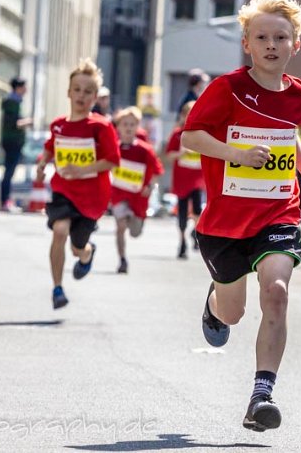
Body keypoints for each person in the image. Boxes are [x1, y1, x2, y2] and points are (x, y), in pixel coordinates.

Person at [180, 0, 301, 432]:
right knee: (233, 314)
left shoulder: (299, 94)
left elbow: (288, 137)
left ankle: (261, 394)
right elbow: (192, 137)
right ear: (247, 43)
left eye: (280, 37)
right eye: (261, 36)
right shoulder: (226, 88)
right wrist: (237, 154)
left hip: (278, 213)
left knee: (277, 293)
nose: (271, 44)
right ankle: (213, 305)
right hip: (226, 224)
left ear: (295, 45)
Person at [34, 59, 121, 309]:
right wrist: (42, 165)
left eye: (87, 91)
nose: (81, 95)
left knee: (76, 248)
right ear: (68, 92)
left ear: (95, 97)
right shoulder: (58, 125)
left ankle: (87, 253)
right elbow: (50, 149)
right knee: (59, 230)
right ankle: (57, 289)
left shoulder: (100, 126)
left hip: (92, 198)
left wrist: (82, 169)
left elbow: (112, 161)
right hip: (64, 189)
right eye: (77, 89)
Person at [110, 106, 163, 274]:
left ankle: (136, 219)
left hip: (138, 198)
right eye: (125, 124)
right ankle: (122, 259)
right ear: (118, 127)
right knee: (120, 226)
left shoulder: (144, 149)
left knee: (134, 233)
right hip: (118, 195)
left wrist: (150, 186)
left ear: (137, 127)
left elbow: (157, 170)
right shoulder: (113, 148)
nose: (128, 128)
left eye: (132, 124)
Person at [164, 100, 205, 259]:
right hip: (182, 179)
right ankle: (182, 242)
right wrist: (180, 154)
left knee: (197, 209)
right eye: (186, 114)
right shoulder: (177, 134)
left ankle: (196, 233)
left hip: (197, 179)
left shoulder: (202, 134)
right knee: (181, 212)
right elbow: (169, 155)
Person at [0, 77, 33, 212]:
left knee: (10, 172)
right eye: (24, 87)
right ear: (18, 88)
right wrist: (27, 122)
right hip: (12, 142)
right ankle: (5, 200)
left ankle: (7, 200)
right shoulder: (12, 102)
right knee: (9, 172)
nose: (26, 90)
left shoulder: (15, 102)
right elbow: (13, 123)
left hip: (13, 142)